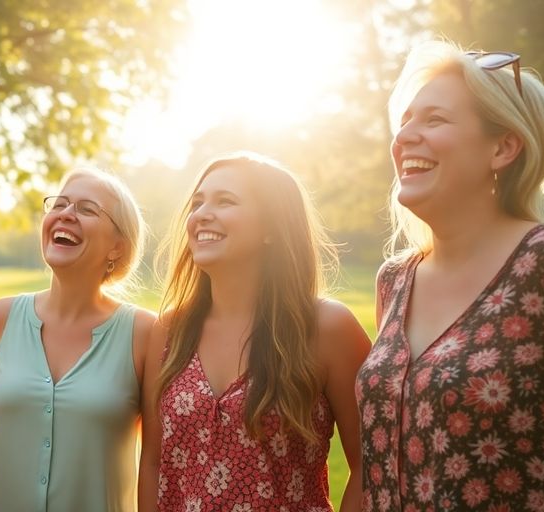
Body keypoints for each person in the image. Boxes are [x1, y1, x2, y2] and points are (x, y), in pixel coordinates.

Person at [356, 41, 544, 511]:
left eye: (434, 120)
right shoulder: (395, 280)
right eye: (405, 121)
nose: (404, 137)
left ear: (503, 147)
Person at [139, 153, 371, 511]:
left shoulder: (328, 328)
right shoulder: (169, 330)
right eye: (197, 202)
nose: (201, 213)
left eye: (225, 201)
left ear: (271, 228)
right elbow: (154, 463)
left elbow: (369, 466)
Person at [0, 167, 156, 512]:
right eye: (59, 204)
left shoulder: (145, 333)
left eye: (87, 209)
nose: (66, 214)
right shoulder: (0, 319)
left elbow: (155, 462)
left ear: (117, 248)